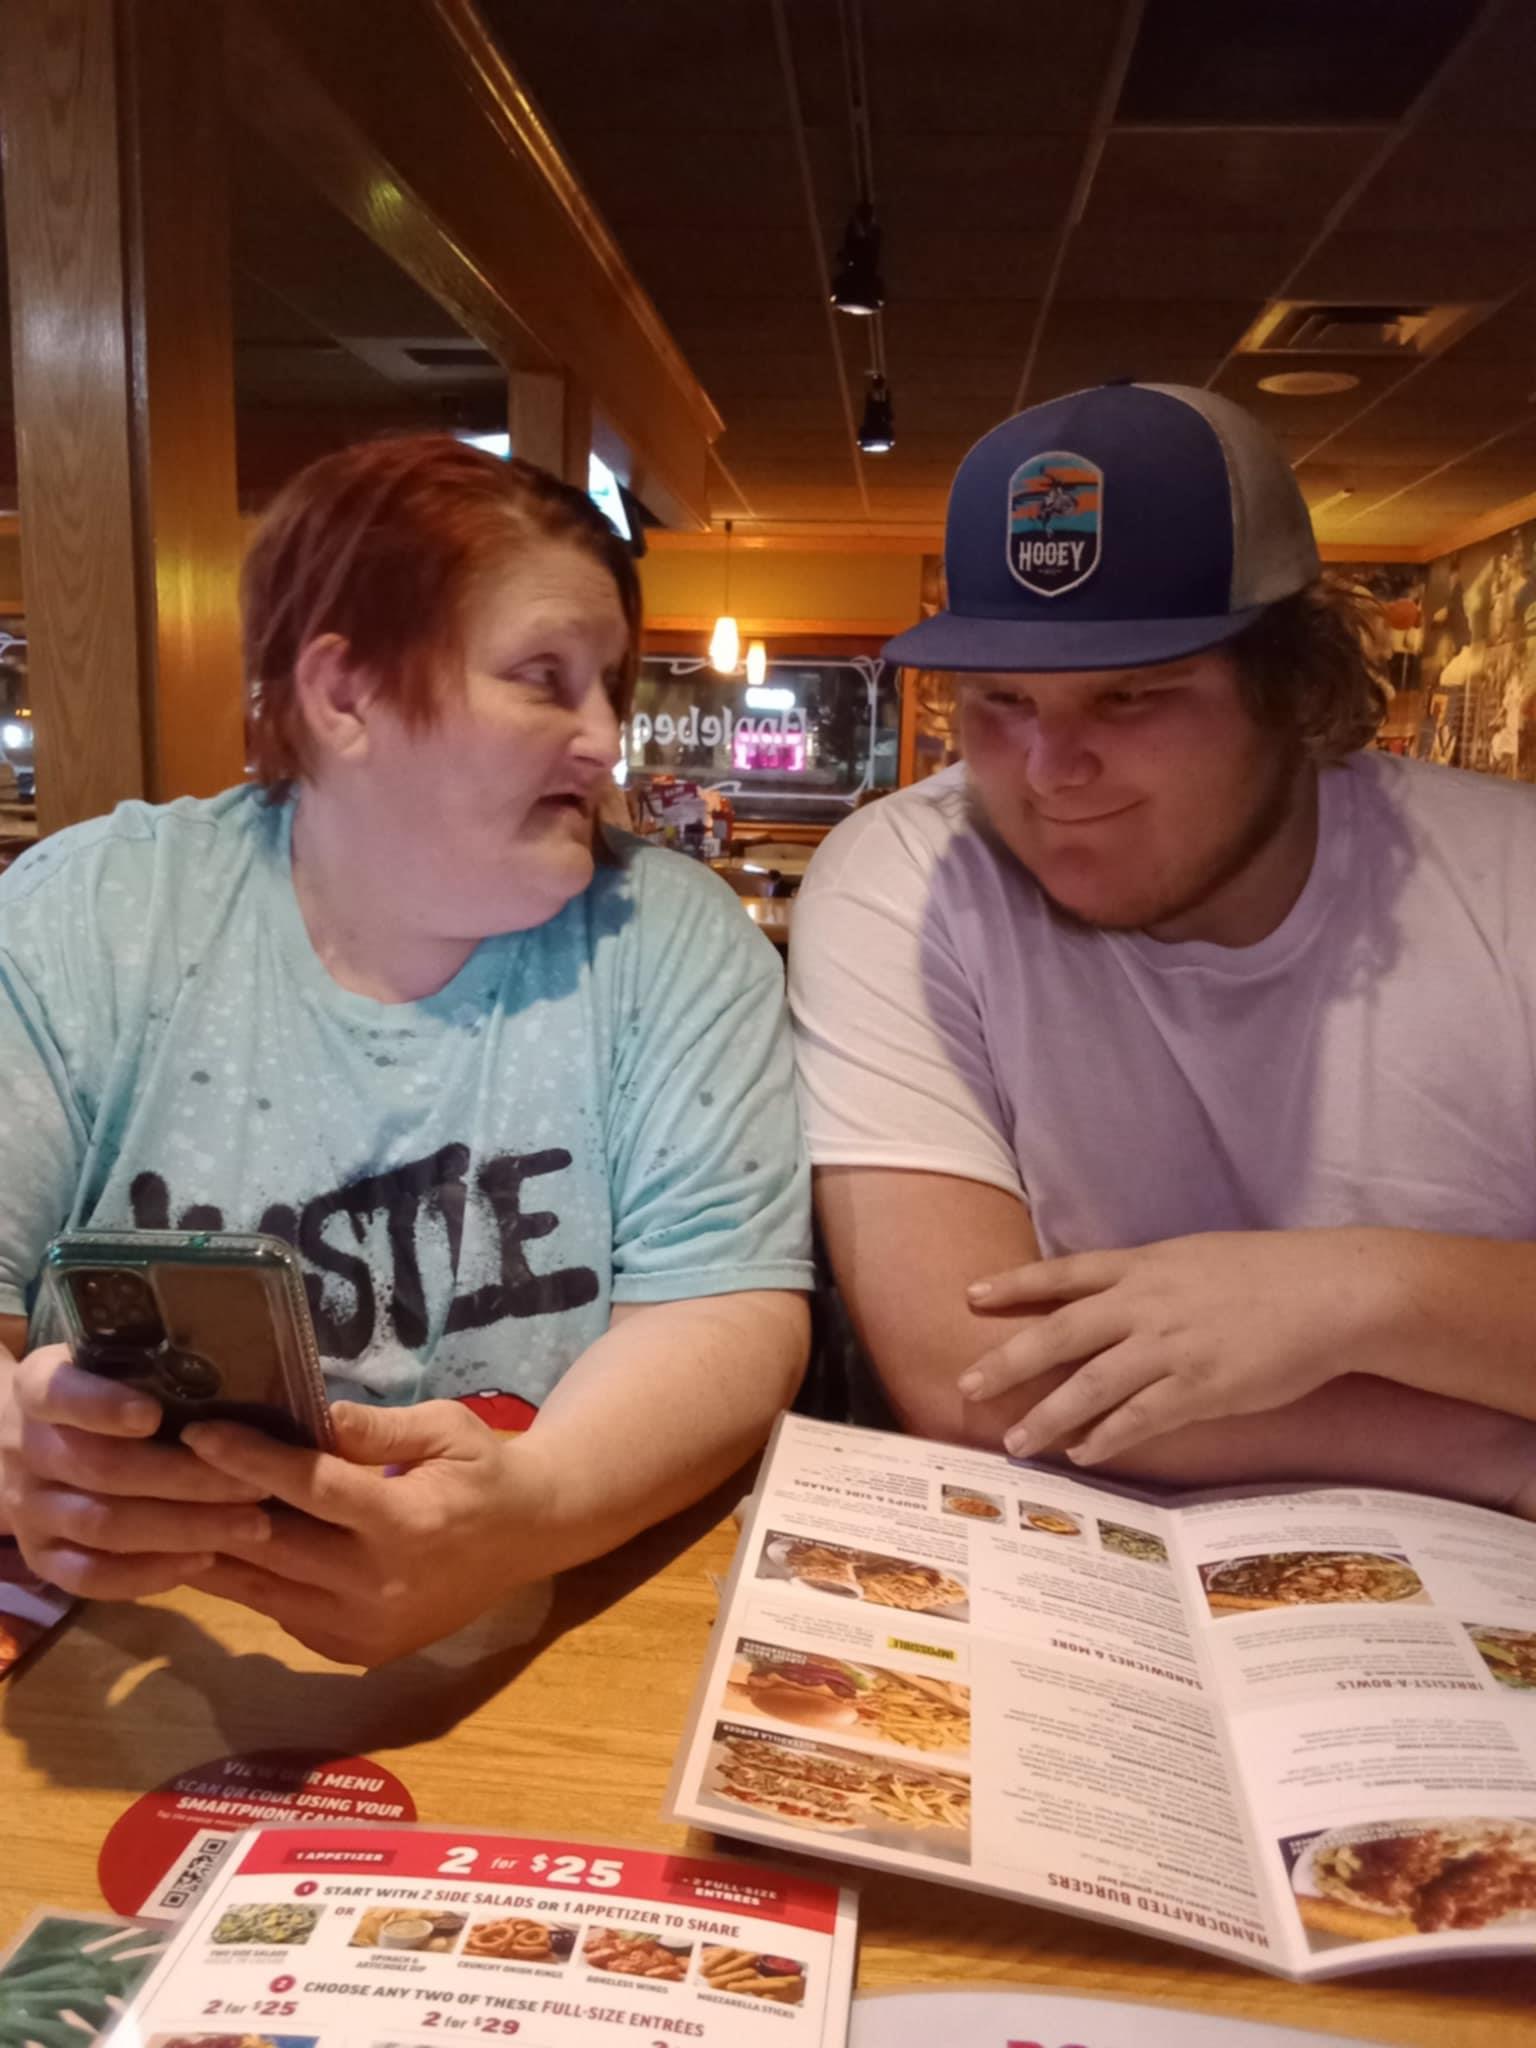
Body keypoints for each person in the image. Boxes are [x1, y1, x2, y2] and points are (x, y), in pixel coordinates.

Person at [0, 436, 812, 1665]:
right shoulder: (98, 915)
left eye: (612, 686)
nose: (604, 740)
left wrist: (529, 1510)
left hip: (543, 1628)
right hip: (138, 1651)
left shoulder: (670, 942)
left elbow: (726, 1303)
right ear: (345, 695)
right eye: (545, 677)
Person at [791, 382, 1536, 1517]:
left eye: (1132, 694)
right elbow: (971, 1373)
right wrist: (1496, 1452)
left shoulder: (1507, 876)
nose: (1048, 769)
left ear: (1293, 682)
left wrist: (1367, 1288)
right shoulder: (908, 875)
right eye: (1000, 699)